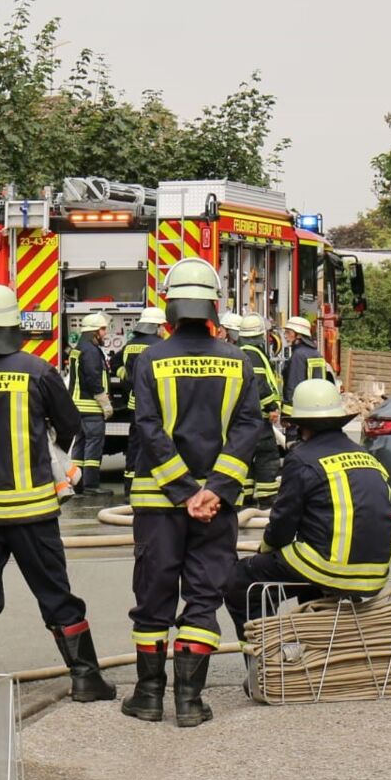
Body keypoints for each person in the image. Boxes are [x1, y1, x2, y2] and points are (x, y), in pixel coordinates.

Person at [0, 285, 116, 702]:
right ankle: (85, 677)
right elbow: (71, 423)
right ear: (12, 325)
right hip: (31, 507)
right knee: (54, 590)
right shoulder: (37, 370)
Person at [123, 258, 263, 728]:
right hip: (217, 508)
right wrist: (214, 491)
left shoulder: (150, 359)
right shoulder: (238, 361)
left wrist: (183, 492)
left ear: (170, 305)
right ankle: (189, 701)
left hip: (158, 502)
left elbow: (148, 427)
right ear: (214, 306)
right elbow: (248, 428)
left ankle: (147, 696)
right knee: (204, 596)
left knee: (153, 595)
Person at [224, 379, 391, 641]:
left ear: (301, 424)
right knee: (303, 574)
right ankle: (314, 653)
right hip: (376, 570)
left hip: (329, 567)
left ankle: (269, 664)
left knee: (241, 583)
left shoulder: (303, 458)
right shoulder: (365, 456)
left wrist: (264, 552)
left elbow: (283, 522)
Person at [235, 313, 284, 507]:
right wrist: (271, 406)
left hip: (240, 418)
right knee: (267, 457)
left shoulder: (237, 352)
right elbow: (259, 385)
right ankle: (266, 498)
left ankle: (245, 496)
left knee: (245, 456)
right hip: (257, 417)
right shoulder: (254, 355)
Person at [111, 306, 165, 478]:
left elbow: (114, 363)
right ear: (156, 327)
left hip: (134, 404)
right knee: (155, 442)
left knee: (134, 442)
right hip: (156, 405)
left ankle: (129, 483)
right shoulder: (161, 346)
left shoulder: (129, 346)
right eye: (162, 326)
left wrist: (125, 377)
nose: (164, 330)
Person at [67, 312, 111, 497]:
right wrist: (105, 404)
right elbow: (93, 379)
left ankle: (78, 484)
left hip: (77, 406)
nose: (105, 334)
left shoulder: (79, 347)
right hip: (90, 406)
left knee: (80, 445)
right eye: (102, 329)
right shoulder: (91, 351)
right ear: (94, 331)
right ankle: (91, 485)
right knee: (94, 443)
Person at [279, 314, 334, 421]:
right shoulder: (317, 354)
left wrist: (287, 415)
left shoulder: (298, 355)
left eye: (288, 332)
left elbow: (293, 386)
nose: (285, 336)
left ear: (299, 335)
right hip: (314, 411)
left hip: (299, 414)